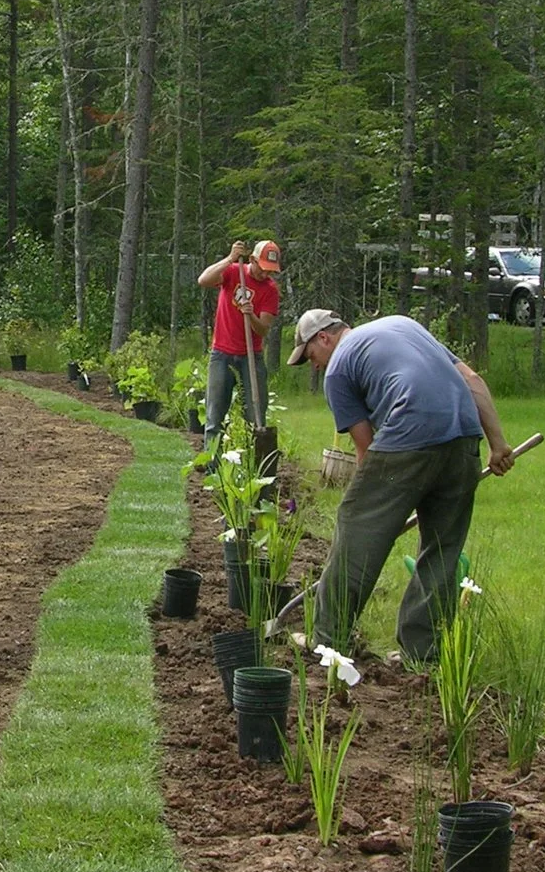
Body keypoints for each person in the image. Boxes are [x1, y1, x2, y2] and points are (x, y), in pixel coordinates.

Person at [288, 307, 519, 662]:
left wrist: (377, 518)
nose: (314, 365)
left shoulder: (337, 369)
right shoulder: (405, 325)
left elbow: (365, 451)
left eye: (310, 356)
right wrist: (498, 443)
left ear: (324, 337)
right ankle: (422, 655)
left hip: (411, 428)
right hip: (465, 438)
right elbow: (472, 380)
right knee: (442, 550)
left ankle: (327, 640)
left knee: (355, 528)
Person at [196, 239, 282, 438]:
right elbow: (203, 280)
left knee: (255, 416)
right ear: (252, 259)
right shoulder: (234, 272)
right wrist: (230, 258)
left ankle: (251, 463)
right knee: (214, 416)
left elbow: (262, 330)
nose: (266, 274)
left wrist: (251, 315)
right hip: (221, 354)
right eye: (263, 268)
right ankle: (213, 465)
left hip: (251, 356)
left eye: (270, 270)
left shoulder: (270, 290)